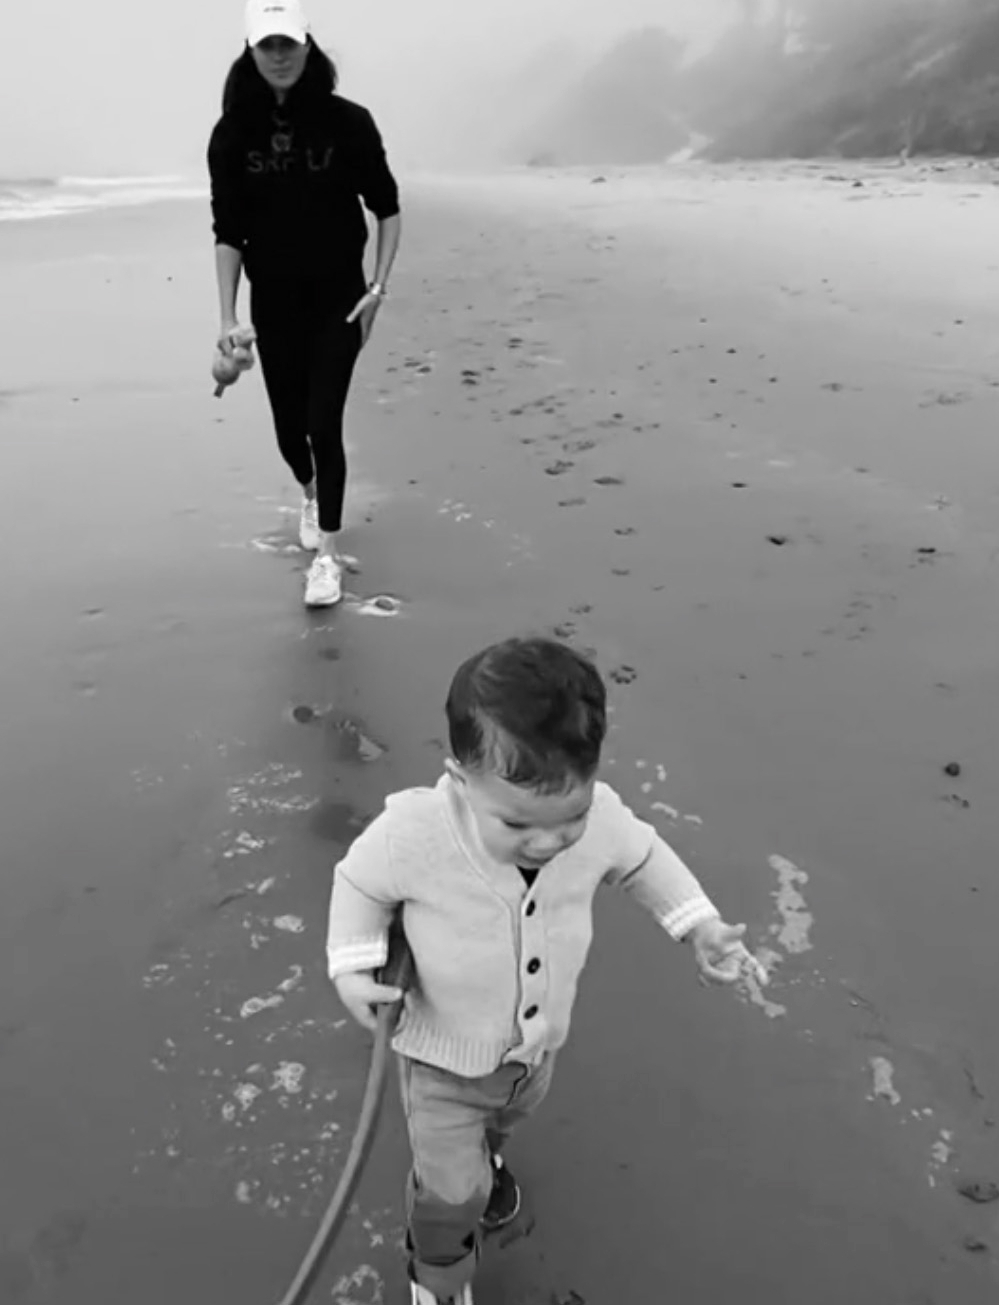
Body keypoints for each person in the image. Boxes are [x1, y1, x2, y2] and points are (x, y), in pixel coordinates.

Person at [325, 637, 767, 1305]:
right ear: (459, 777)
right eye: (517, 822)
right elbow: (358, 883)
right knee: (452, 1194)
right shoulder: (413, 831)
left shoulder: (598, 820)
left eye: (571, 816)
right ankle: (437, 1280)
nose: (547, 839)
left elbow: (644, 859)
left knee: (503, 1124)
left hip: (533, 1055)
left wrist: (699, 927)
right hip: (441, 1061)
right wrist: (351, 965)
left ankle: (488, 1152)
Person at [207, 0, 402, 609]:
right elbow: (228, 231)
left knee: (324, 423)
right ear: (251, 51)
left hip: (340, 301)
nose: (280, 55)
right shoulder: (233, 133)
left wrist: (377, 289)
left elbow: (387, 207)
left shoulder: (349, 122)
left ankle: (327, 558)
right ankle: (310, 492)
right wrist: (227, 318)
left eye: (289, 42)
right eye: (268, 45)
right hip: (274, 303)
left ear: (308, 44)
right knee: (291, 432)